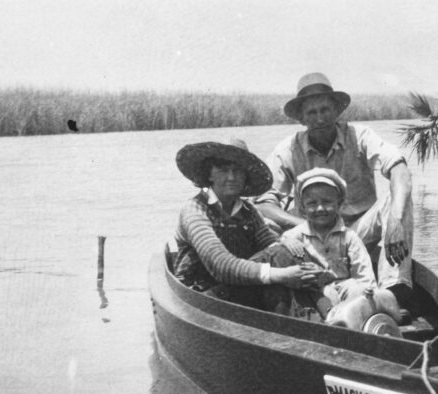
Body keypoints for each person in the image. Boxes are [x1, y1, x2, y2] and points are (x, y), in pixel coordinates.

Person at [255, 72, 415, 308]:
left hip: (359, 232)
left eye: (325, 110)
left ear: (336, 111)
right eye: (311, 112)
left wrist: (396, 220)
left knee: (398, 200)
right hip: (314, 235)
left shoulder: (359, 136)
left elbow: (399, 169)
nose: (320, 118)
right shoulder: (288, 149)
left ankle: (393, 290)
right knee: (267, 224)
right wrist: (298, 225)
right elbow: (263, 202)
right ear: (301, 118)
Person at [171, 138, 316, 313]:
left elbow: (269, 244)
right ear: (209, 174)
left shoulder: (248, 210)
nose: (231, 178)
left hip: (240, 287)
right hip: (200, 296)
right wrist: (283, 275)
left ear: (246, 176)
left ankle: (321, 315)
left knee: (284, 254)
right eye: (223, 171)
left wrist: (287, 243)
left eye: (238, 171)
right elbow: (221, 266)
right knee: (278, 275)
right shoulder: (194, 210)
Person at [281, 168, 376, 318]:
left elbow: (364, 276)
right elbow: (278, 246)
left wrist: (367, 291)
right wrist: (287, 242)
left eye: (326, 202)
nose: (320, 208)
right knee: (319, 296)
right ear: (303, 208)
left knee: (357, 289)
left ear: (339, 204)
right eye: (312, 203)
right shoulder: (296, 235)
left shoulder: (349, 237)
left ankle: (352, 321)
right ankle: (334, 321)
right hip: (316, 293)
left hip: (345, 290)